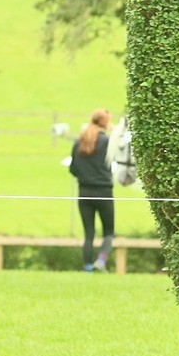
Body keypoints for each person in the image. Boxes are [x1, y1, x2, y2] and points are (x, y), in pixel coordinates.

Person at [68, 108, 115, 273]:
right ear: (105, 122)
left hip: (84, 192)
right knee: (108, 232)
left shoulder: (79, 141)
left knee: (89, 233)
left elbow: (73, 169)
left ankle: (87, 267)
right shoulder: (106, 141)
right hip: (104, 192)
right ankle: (101, 261)